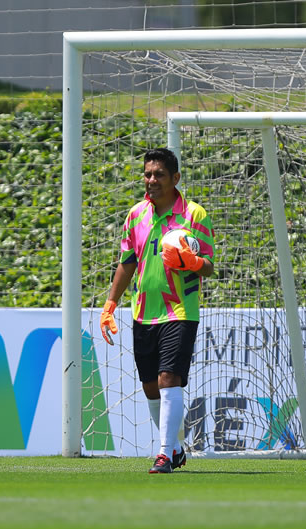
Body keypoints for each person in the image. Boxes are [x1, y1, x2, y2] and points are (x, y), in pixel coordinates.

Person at [100, 147, 215, 474]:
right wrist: (110, 304)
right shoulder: (136, 215)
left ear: (175, 178)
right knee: (151, 385)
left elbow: (209, 265)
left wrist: (195, 263)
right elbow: (127, 263)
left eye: (159, 175)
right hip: (143, 313)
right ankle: (176, 448)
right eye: (148, 174)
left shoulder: (194, 215)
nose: (151, 180)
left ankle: (164, 453)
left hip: (180, 312)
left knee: (169, 379)